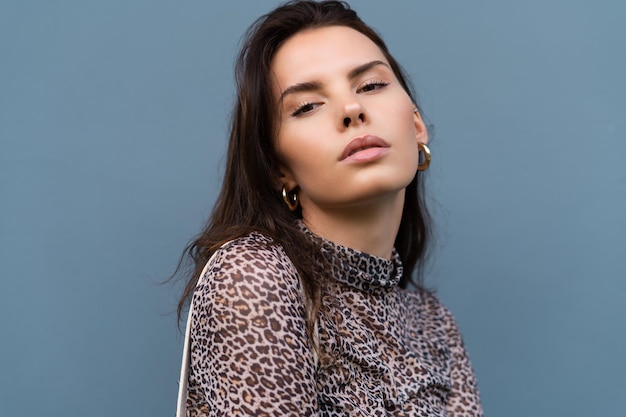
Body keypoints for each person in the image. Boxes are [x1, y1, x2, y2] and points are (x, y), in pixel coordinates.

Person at [174, 1, 483, 415]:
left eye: (371, 85)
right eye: (307, 106)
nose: (352, 110)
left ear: (416, 125)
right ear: (278, 170)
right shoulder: (254, 277)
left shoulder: (433, 326)